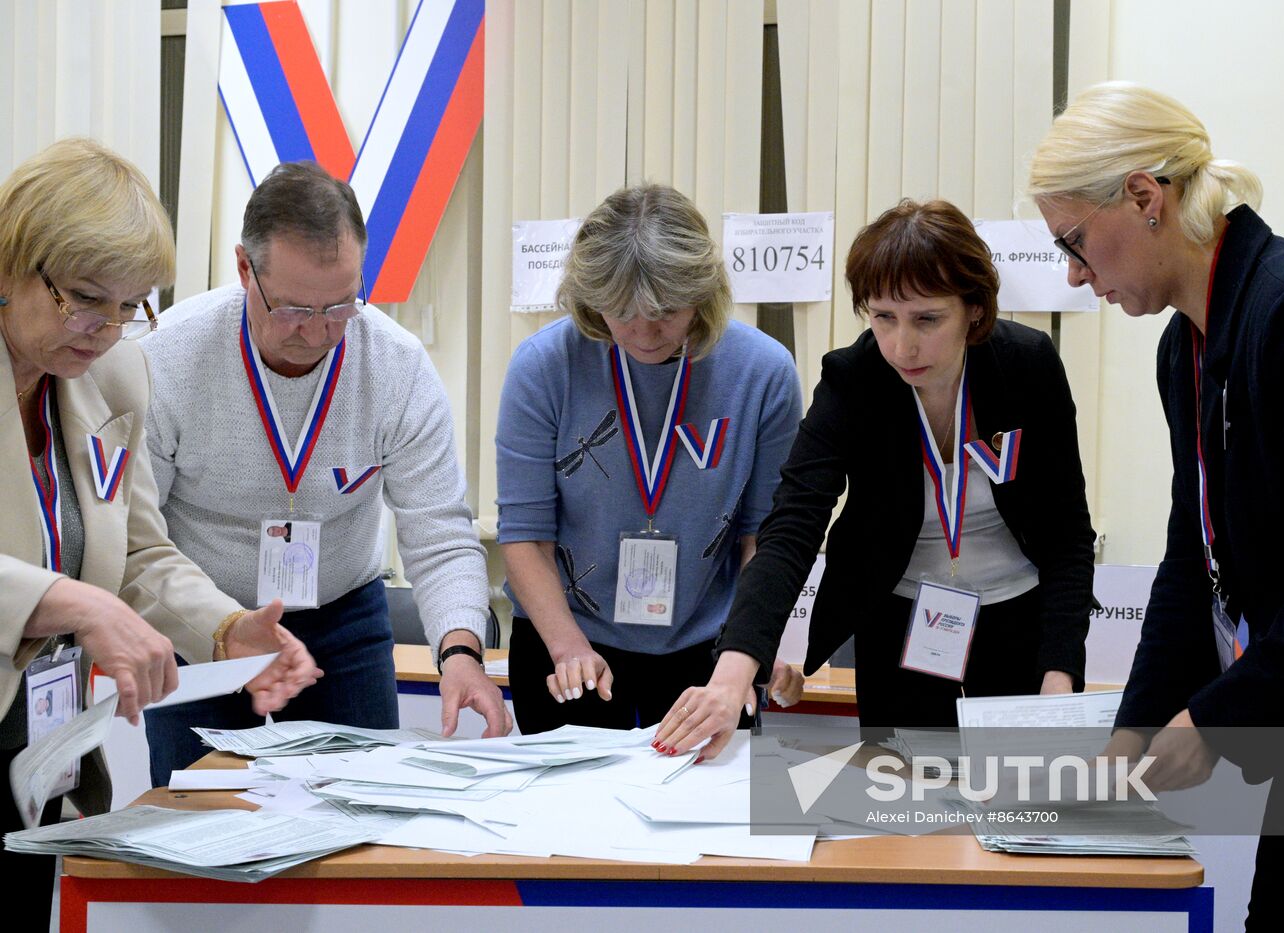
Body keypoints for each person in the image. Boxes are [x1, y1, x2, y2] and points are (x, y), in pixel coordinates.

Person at [1026, 81, 1284, 927]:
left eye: (1077, 244)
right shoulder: (1185, 348)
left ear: (1145, 197)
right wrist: (1135, 727)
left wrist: (1215, 718)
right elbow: (1194, 557)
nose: (1078, 277)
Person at [0, 138, 320, 931]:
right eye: (85, 298)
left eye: (130, 303)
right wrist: (65, 598)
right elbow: (76, 588)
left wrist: (226, 627)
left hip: (41, 752)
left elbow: (139, 548)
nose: (108, 328)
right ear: (12, 265)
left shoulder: (109, 376)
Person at [655, 198, 1095, 755]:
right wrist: (733, 669)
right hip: (902, 621)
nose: (901, 346)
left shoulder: (1028, 366)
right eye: (883, 317)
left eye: (927, 319)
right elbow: (793, 522)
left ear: (975, 311)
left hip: (1018, 617)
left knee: (1017, 805)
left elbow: (1067, 535)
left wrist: (1059, 675)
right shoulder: (854, 379)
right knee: (903, 804)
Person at [141, 161, 509, 788]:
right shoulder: (169, 357)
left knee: (359, 821)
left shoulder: (394, 366)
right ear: (243, 270)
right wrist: (217, 630)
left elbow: (438, 532)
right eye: (293, 309)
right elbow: (138, 535)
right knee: (194, 829)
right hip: (201, 624)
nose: (316, 332)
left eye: (340, 305)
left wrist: (461, 652)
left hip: (343, 623)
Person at [496, 183, 804, 736]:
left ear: (702, 291)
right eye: (621, 312)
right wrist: (568, 649)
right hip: (566, 637)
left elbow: (765, 535)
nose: (643, 332)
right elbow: (524, 533)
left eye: (665, 311)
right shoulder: (544, 367)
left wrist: (758, 642)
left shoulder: (763, 373)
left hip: (710, 646)